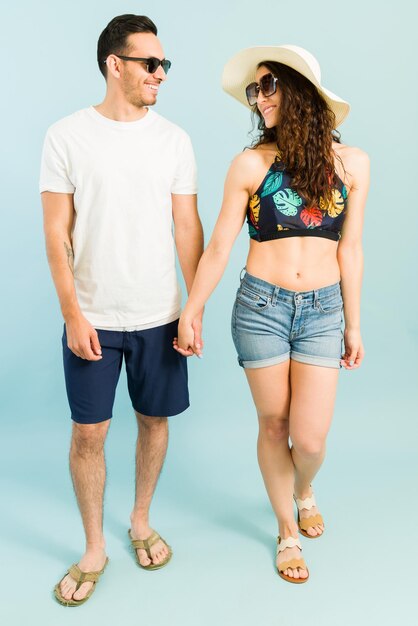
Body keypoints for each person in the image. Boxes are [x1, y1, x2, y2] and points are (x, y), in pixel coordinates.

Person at [174, 45, 369, 584]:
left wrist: (353, 322)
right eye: (254, 90)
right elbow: (217, 248)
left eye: (268, 86)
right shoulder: (250, 165)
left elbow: (350, 249)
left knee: (309, 440)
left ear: (299, 91)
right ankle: (286, 527)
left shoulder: (351, 164)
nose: (258, 98)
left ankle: (303, 487)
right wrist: (191, 311)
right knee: (274, 424)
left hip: (325, 311)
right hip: (261, 307)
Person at [40, 14, 203, 606]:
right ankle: (93, 546)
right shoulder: (66, 136)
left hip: (159, 313)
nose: (160, 73)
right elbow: (57, 232)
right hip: (94, 317)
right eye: (150, 63)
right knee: (90, 433)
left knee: (154, 422)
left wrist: (195, 307)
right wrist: (72, 313)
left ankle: (139, 519)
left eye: (164, 64)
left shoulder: (174, 140)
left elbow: (187, 226)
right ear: (116, 64)